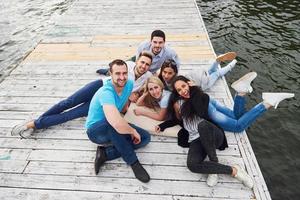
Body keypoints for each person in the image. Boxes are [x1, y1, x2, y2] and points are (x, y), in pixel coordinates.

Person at [11, 51, 154, 138]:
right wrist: (103, 70)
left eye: (147, 64)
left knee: (70, 115)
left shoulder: (147, 77)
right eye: (142, 62)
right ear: (138, 60)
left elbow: (138, 92)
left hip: (102, 102)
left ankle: (35, 124)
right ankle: (38, 120)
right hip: (100, 87)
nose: (143, 66)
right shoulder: (127, 65)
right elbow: (111, 69)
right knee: (68, 102)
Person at [85, 59, 151, 183]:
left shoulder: (129, 83)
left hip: (114, 126)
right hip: (96, 131)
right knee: (114, 125)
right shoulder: (106, 92)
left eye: (124, 73)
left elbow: (125, 102)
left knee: (145, 137)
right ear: (110, 74)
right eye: (118, 74)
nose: (122, 77)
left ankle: (105, 154)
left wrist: (126, 110)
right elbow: (115, 122)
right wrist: (131, 131)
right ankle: (134, 162)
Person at [169, 74, 294, 133]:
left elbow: (201, 112)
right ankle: (241, 92)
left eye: (184, 86)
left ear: (189, 83)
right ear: (177, 92)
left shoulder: (191, 95)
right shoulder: (190, 94)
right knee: (237, 116)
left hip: (209, 108)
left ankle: (267, 103)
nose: (183, 91)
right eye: (179, 90)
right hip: (209, 102)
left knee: (238, 126)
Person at [97, 30, 180, 75]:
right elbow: (137, 62)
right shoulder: (143, 46)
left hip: (151, 70)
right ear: (151, 41)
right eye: (155, 42)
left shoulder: (170, 53)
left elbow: (176, 65)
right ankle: (108, 70)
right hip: (140, 60)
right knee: (124, 65)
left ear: (164, 43)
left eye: (160, 42)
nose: (157, 45)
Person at [158, 52, 237, 91]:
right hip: (199, 73)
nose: (166, 75)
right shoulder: (160, 77)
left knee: (217, 74)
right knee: (210, 71)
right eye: (164, 72)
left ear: (175, 73)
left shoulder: (178, 82)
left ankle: (232, 64)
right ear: (161, 71)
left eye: (170, 73)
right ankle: (217, 61)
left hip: (203, 82)